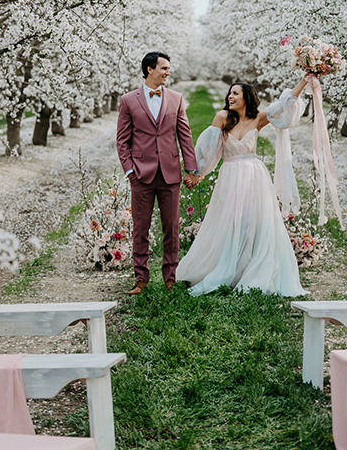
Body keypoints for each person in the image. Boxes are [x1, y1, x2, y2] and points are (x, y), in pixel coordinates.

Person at [176, 77, 310, 296]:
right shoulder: (222, 117)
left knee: (252, 221)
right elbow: (211, 150)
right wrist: (197, 174)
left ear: (247, 98)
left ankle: (249, 269)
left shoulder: (258, 118)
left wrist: (305, 80)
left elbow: (285, 104)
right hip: (230, 175)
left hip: (254, 176)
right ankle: (227, 268)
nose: (230, 96)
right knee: (228, 220)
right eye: (230, 93)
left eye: (236, 93)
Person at [116, 51, 200, 295]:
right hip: (140, 174)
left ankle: (170, 278)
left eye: (168, 68)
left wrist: (191, 168)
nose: (168, 72)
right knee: (140, 228)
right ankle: (140, 279)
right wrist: (129, 169)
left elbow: (185, 135)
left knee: (171, 228)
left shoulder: (176, 98)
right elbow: (122, 140)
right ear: (149, 69)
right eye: (164, 68)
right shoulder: (128, 100)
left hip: (170, 173)